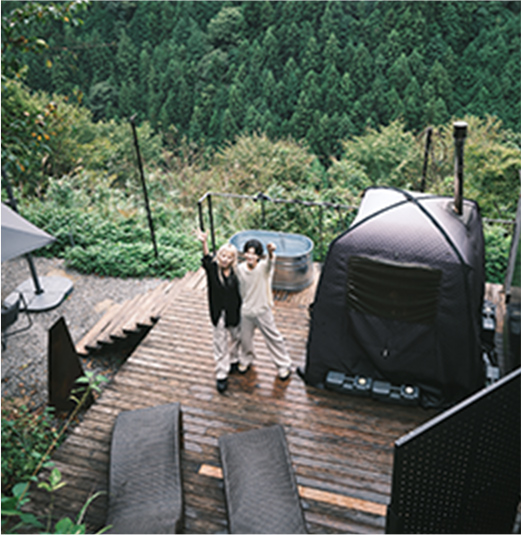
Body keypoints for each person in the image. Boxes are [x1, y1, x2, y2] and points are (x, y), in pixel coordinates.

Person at [236, 238, 292, 380]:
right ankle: (246, 359)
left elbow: (270, 261)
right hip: (246, 311)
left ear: (259, 256)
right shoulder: (240, 269)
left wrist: (270, 251)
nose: (250, 256)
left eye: (254, 254)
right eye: (248, 253)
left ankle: (283, 365)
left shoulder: (263, 268)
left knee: (273, 338)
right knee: (245, 339)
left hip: (262, 310)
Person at [197, 229, 241, 394]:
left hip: (234, 311)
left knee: (236, 337)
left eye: (229, 257)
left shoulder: (236, 273)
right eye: (223, 255)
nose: (225, 259)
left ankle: (234, 360)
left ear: (233, 259)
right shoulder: (213, 269)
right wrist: (204, 242)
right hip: (218, 312)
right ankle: (222, 373)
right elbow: (207, 259)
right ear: (219, 255)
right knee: (220, 342)